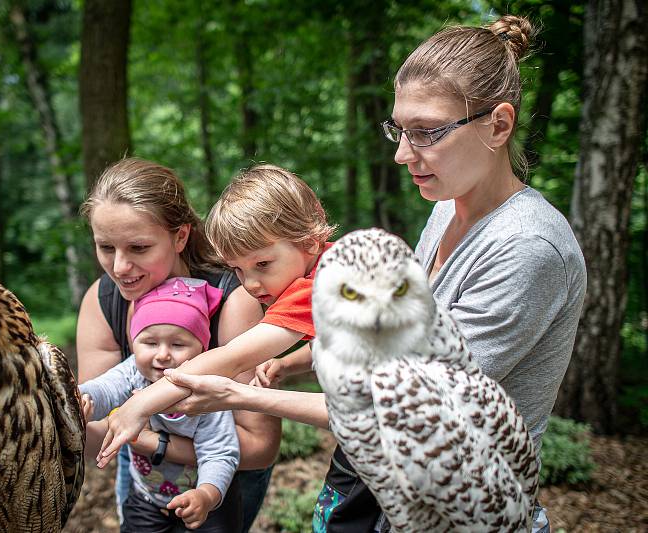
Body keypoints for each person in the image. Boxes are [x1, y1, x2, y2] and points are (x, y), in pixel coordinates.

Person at [161, 14, 587, 533]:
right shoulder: (446, 209)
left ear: (499, 125)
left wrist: (241, 395)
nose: (403, 153)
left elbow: (409, 411)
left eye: (427, 132)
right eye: (399, 130)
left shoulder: (527, 248)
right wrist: (300, 362)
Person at [76, 157, 280, 531]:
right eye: (106, 247)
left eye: (138, 248)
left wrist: (151, 442)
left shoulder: (233, 299)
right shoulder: (103, 301)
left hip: (223, 478)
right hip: (142, 474)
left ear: (181, 236)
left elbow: (259, 446)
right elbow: (91, 430)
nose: (119, 266)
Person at [96, 164, 337, 462]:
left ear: (309, 241)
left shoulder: (321, 284)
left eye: (262, 264)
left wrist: (143, 402)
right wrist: (288, 364)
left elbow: (232, 357)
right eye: (237, 269)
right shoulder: (339, 268)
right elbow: (344, 347)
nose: (250, 283)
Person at [80, 277, 241, 532]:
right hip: (146, 498)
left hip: (205, 503)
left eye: (177, 344)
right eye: (150, 343)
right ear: (135, 343)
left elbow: (219, 451)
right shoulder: (135, 371)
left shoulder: (206, 391)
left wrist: (206, 496)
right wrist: (83, 398)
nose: (162, 354)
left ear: (201, 348)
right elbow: (106, 388)